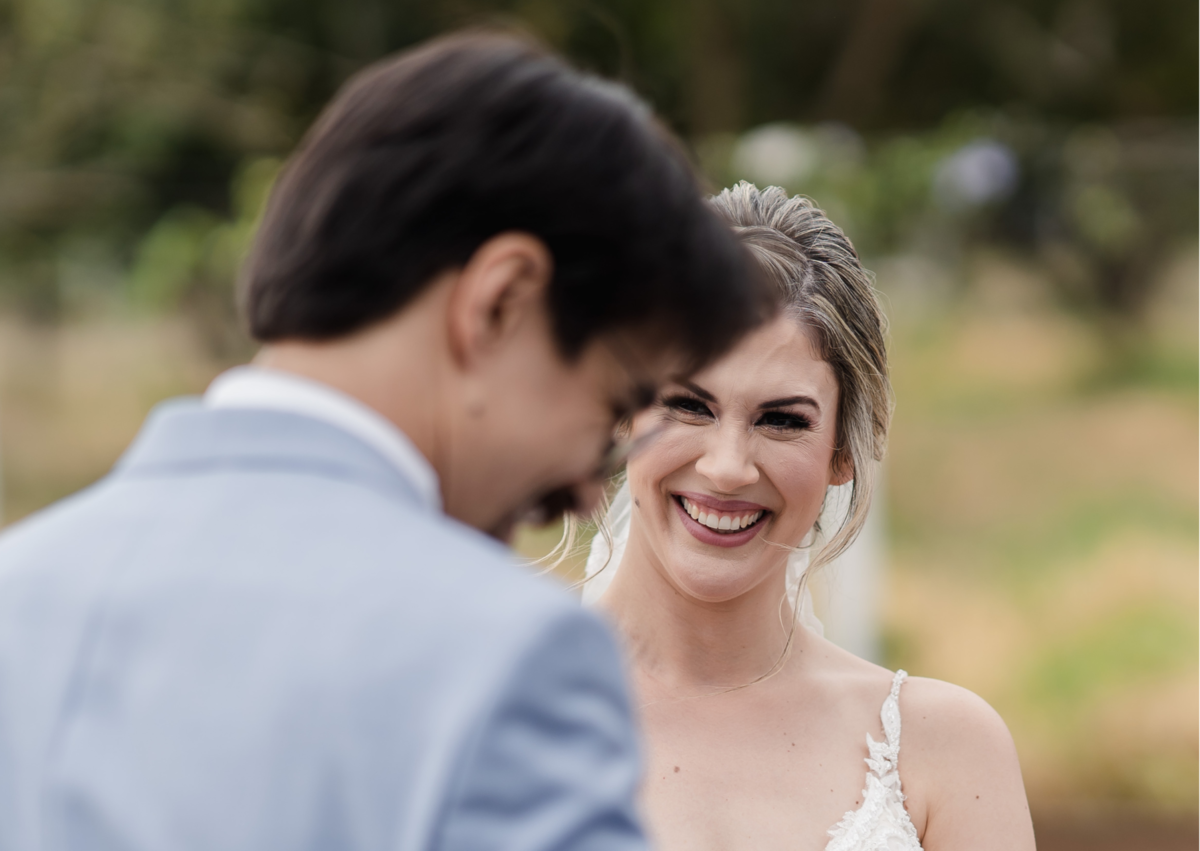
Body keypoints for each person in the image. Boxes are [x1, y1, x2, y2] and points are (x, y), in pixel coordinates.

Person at [0, 33, 774, 851]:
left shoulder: (19, 587)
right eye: (615, 404)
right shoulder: (505, 654)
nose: (590, 488)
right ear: (501, 301)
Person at [583, 182, 1037, 851]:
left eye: (782, 419)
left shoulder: (946, 751)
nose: (728, 465)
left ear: (842, 453)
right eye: (689, 404)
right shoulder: (478, 712)